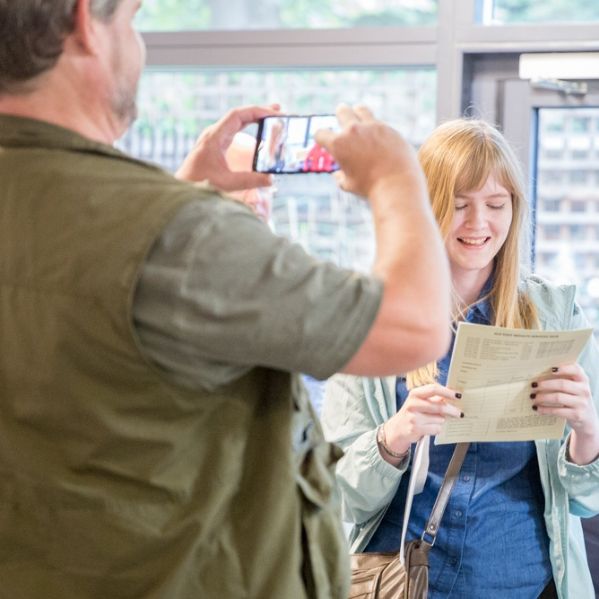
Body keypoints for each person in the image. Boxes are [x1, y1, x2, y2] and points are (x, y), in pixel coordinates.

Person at [0, 1, 452, 598]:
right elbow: (413, 327)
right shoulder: (182, 235)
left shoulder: (145, 228)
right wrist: (396, 178)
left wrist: (178, 200)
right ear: (87, 23)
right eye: (131, 21)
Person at [322, 119, 599, 599]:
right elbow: (338, 495)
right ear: (426, 209)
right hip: (401, 582)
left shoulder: (553, 315)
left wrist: (587, 429)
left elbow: (583, 500)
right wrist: (396, 436)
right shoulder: (373, 318)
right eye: (458, 205)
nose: (478, 224)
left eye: (496, 204)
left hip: (522, 582)